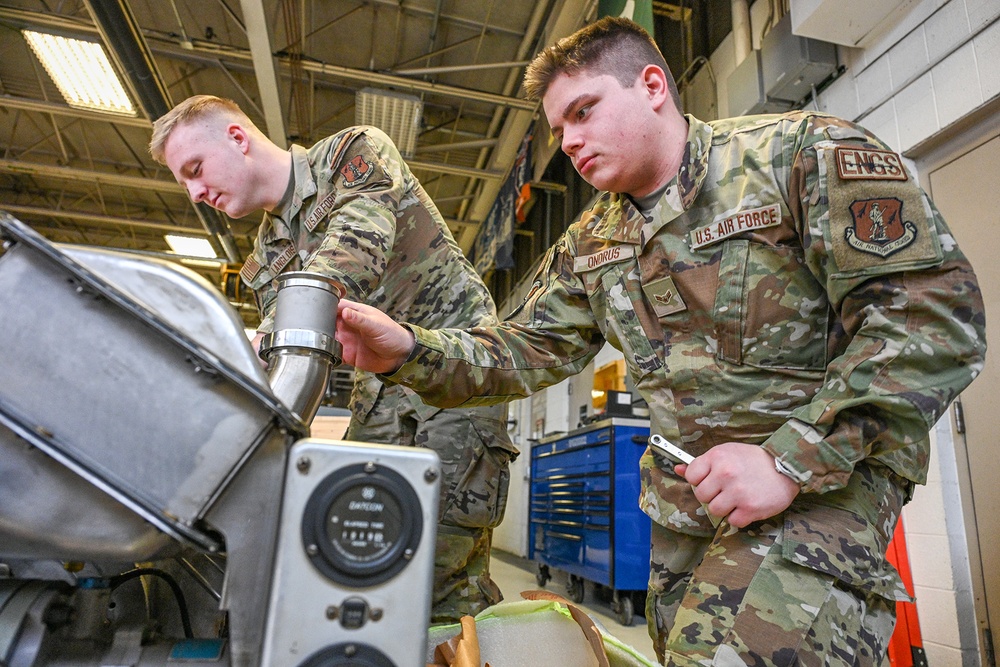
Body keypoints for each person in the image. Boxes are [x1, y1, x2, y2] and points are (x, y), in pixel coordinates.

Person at [333, 17, 987, 666]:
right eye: (559, 130)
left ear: (652, 86)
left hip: (820, 494)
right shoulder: (594, 243)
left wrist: (791, 457)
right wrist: (409, 351)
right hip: (686, 517)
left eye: (584, 111)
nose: (570, 142)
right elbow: (521, 351)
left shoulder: (796, 155)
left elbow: (933, 319)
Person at [148, 95, 519, 624]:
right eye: (184, 184)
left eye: (195, 169)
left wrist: (263, 340)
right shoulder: (269, 253)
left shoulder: (352, 155)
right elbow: (281, 366)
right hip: (379, 392)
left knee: (440, 574)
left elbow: (350, 256)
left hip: (453, 373)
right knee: (364, 554)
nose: (196, 193)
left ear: (237, 137)